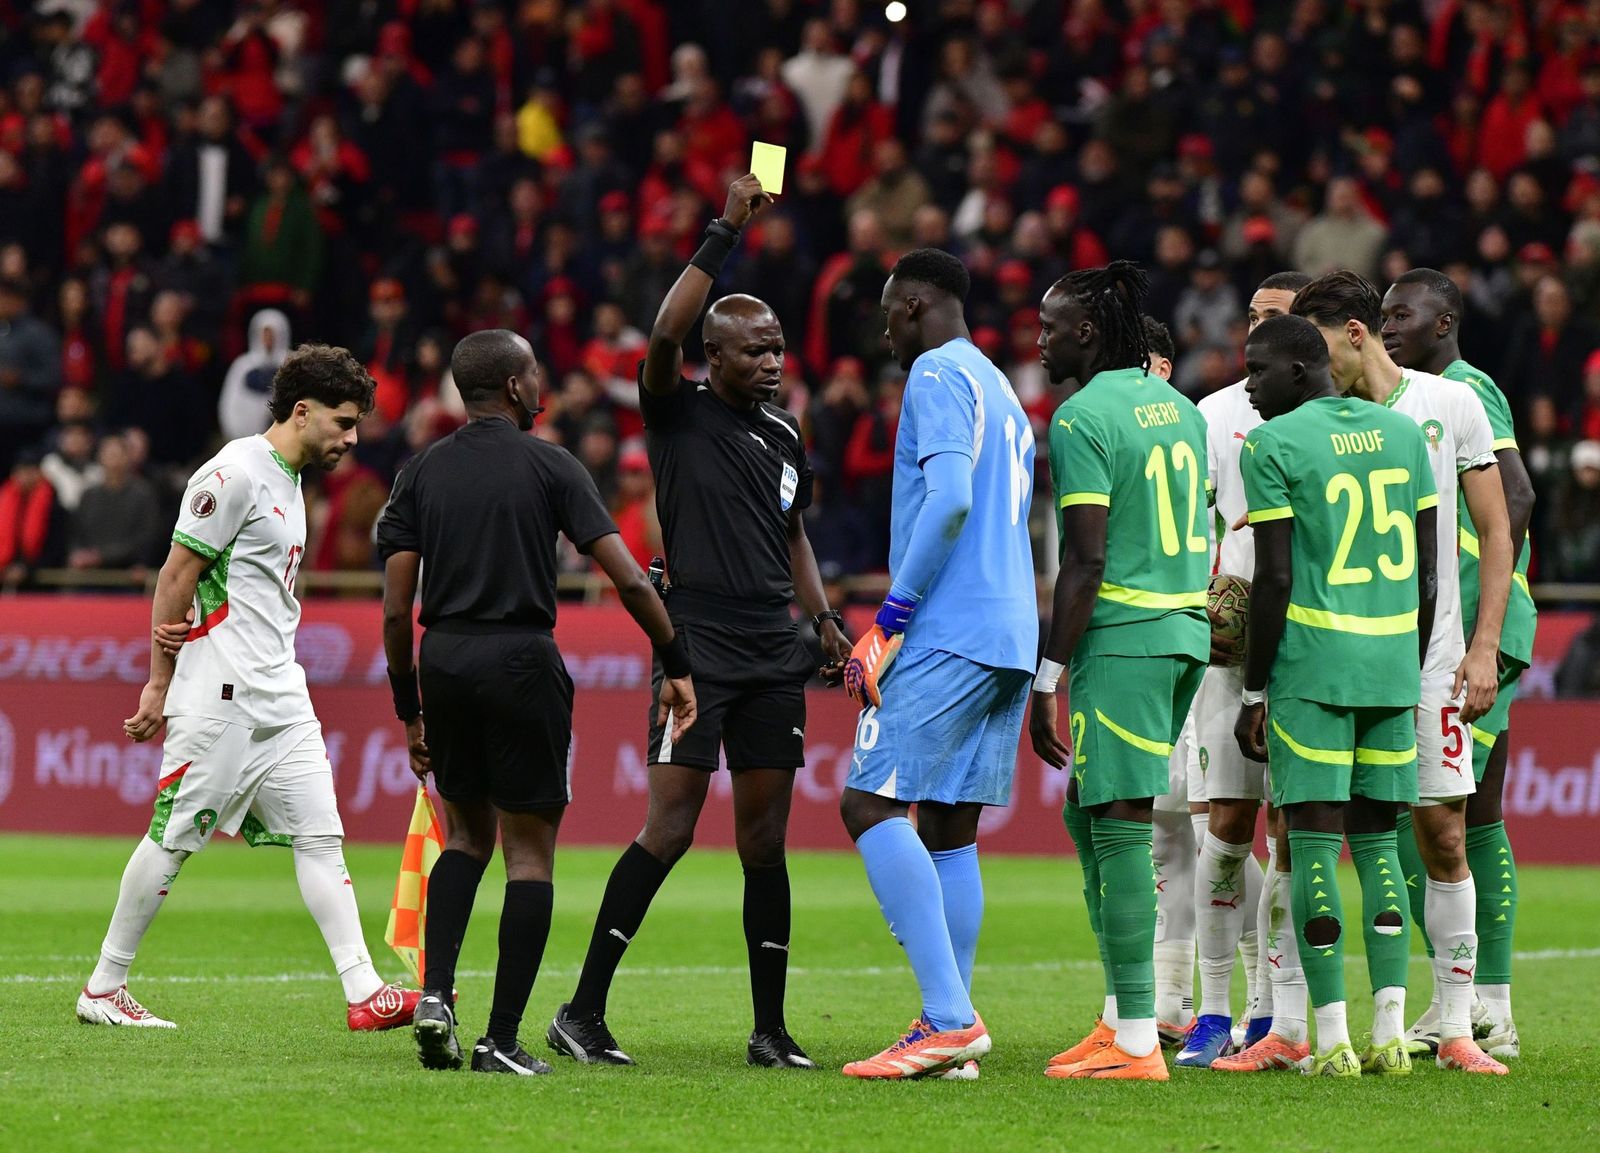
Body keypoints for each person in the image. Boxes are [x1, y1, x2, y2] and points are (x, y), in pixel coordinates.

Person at [547, 175, 851, 1071]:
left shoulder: (788, 434)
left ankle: (770, 1028)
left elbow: (792, 531)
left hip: (773, 644)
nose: (771, 362)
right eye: (754, 349)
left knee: (764, 839)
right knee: (671, 826)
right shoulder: (675, 412)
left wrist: (824, 618)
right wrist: (724, 230)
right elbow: (665, 332)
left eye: (778, 348)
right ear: (712, 356)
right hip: (697, 640)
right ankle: (582, 1010)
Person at [376, 329, 696, 1077]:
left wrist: (408, 707)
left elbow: (396, 609)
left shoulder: (419, 471)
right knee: (529, 852)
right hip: (522, 658)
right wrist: (676, 660)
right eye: (535, 371)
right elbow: (629, 578)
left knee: (463, 839)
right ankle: (500, 1039)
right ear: (515, 388)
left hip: (445, 657)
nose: (543, 380)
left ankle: (434, 996)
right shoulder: (553, 464)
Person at [78, 344, 419, 1033]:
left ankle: (364, 991)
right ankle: (105, 985)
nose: (352, 439)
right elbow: (176, 576)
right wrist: (157, 683)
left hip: (281, 692)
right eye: (344, 422)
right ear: (303, 411)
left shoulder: (290, 481)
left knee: (321, 837)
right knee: (173, 836)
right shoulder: (232, 472)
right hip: (221, 691)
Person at [1292, 271, 1513, 1075]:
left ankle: (1458, 1024)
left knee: (1443, 830)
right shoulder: (1311, 417)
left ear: (1357, 334)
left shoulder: (1449, 404)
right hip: (1334, 663)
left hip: (1432, 661)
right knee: (1310, 833)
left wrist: (1483, 644)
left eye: (1323, 350)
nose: (1316, 370)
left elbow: (1496, 530)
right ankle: (1294, 1023)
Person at [835, 248, 1037, 1081]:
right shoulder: (1004, 389)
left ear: (915, 304)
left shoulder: (933, 376)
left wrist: (889, 619)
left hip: (950, 627)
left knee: (867, 801)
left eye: (888, 310)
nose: (884, 326)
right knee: (950, 825)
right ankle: (948, 1026)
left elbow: (950, 498)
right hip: (1011, 630)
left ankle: (949, 1017)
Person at [1232, 314, 1439, 1077]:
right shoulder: (1402, 434)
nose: (1249, 385)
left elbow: (1276, 577)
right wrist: (1405, 662)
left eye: (1257, 369)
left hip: (1314, 669)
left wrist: (1255, 690)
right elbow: (1427, 573)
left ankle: (1332, 1039)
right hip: (1390, 666)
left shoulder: (1273, 445)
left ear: (1300, 367)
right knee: (1381, 843)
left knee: (1314, 843)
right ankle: (1389, 1032)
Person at [1031, 262, 1210, 1081]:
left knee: (1119, 821)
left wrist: (1046, 675)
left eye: (1052, 324)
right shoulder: (1179, 409)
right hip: (1183, 631)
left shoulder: (1081, 418)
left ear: (1090, 333)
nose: (1040, 338)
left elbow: (1086, 557)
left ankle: (1138, 1039)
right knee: (1088, 812)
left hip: (1126, 636)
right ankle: (1118, 1016)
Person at [1381, 268, 1537, 1059]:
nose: (1388, 325)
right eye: (1382, 314)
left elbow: (1517, 495)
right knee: (1468, 815)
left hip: (1476, 630)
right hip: (1457, 630)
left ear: (1445, 322)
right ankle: (1481, 1003)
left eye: (1403, 313)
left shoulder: (1468, 389)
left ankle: (1482, 1002)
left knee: (1438, 814)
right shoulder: (1408, 398)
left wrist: (1487, 622)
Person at [1176, 270, 1313, 1070]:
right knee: (1224, 834)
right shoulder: (1215, 413)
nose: (1254, 330)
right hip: (1229, 651)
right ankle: (1212, 1011)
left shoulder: (1335, 420)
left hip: (1307, 646)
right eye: (1252, 317)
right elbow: (1196, 523)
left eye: (1274, 319)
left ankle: (1275, 1014)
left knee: (1294, 837)